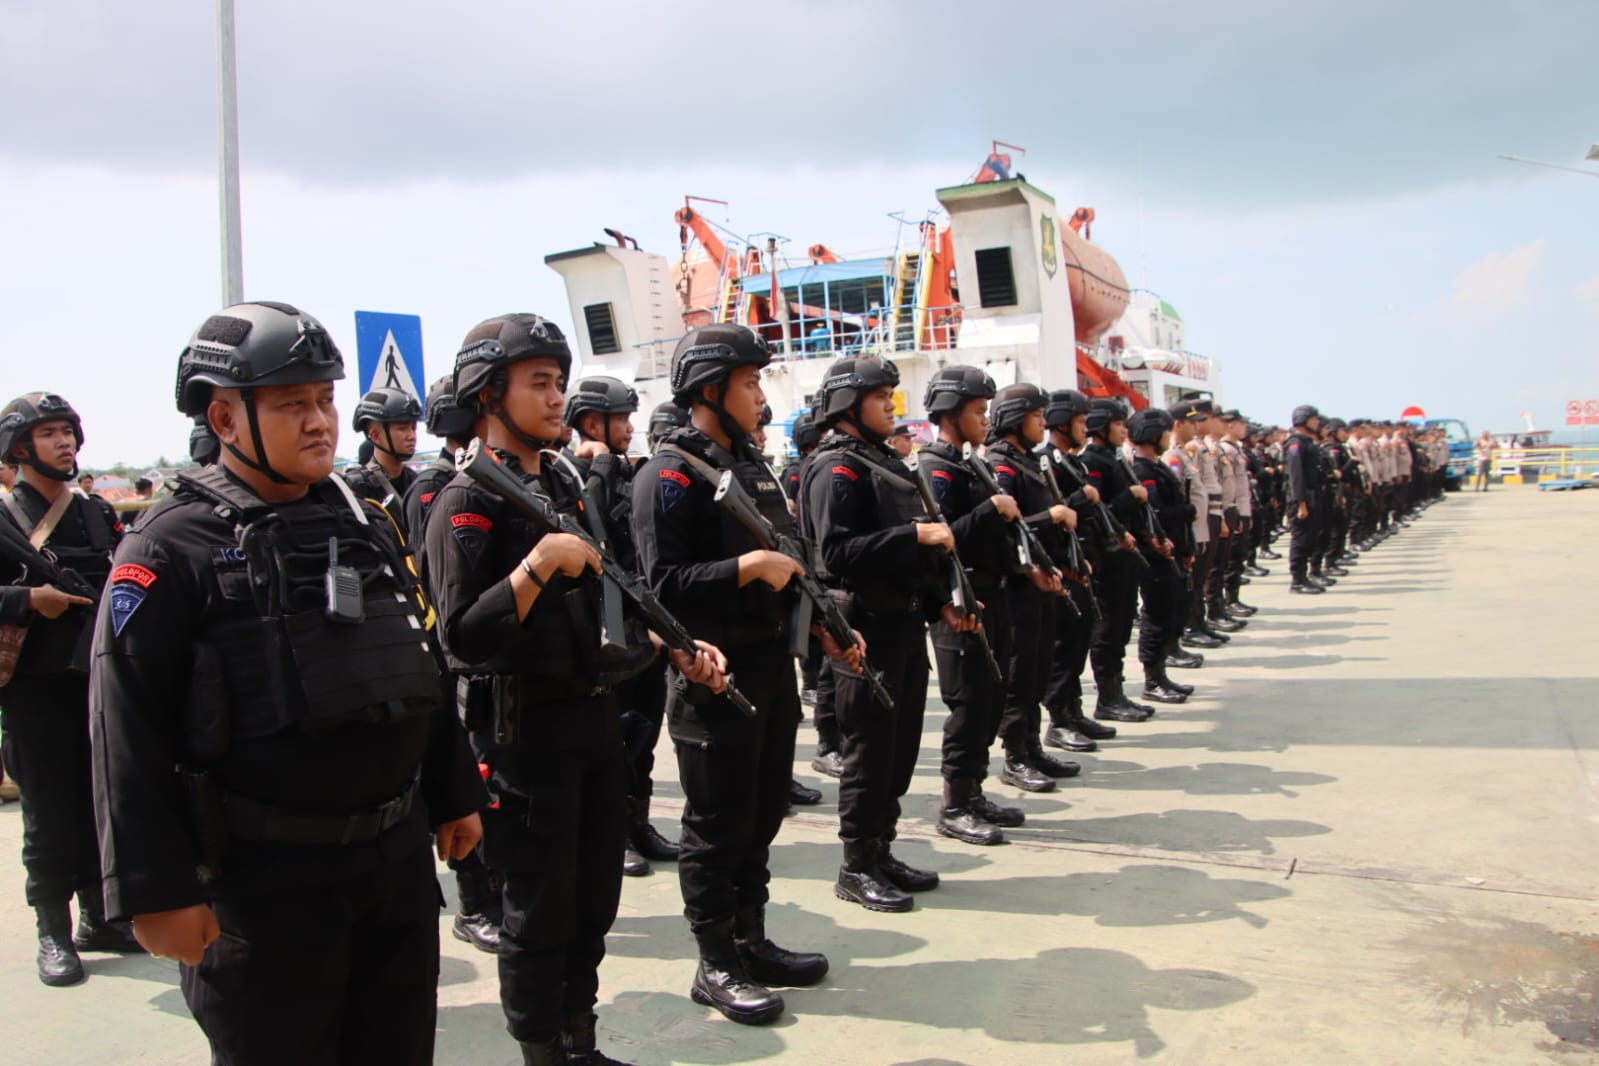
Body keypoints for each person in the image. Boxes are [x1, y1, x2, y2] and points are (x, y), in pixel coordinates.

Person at [90, 301, 486, 1064]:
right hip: (263, 888)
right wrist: (155, 890)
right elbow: (123, 723)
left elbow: (419, 657)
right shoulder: (170, 547)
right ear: (225, 419)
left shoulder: (362, 519)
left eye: (325, 400)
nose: (319, 422)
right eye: (290, 404)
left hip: (394, 868)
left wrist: (453, 789)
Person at [426, 313, 726, 1065]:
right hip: (524, 738)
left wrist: (673, 643)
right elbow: (462, 637)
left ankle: (579, 1042)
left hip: (593, 721)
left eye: (559, 382)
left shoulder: (563, 483)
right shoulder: (465, 500)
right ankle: (543, 1051)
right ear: (489, 394)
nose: (556, 397)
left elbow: (612, 588)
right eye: (538, 383)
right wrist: (535, 568)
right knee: (538, 911)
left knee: (593, 903)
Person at [635, 323, 854, 1024]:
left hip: (768, 663)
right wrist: (747, 567)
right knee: (715, 823)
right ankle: (715, 962)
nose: (762, 396)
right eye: (750, 382)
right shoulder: (668, 475)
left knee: (760, 813)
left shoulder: (753, 468)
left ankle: (750, 939)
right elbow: (660, 586)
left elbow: (792, 564)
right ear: (709, 390)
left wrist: (822, 624)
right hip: (711, 676)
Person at [799, 354, 959, 913]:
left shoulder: (882, 461)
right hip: (864, 627)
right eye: (880, 397)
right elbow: (836, 553)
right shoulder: (836, 467)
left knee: (900, 748)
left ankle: (882, 849)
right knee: (868, 753)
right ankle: (856, 865)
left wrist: (940, 602)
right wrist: (915, 536)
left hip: (904, 623)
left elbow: (910, 551)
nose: (892, 407)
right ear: (848, 404)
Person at [0, 392, 133, 987]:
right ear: (19, 448)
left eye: (68, 431)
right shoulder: (6, 518)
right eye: (49, 433)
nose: (65, 443)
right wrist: (28, 599)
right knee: (49, 813)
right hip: (35, 690)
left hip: (97, 680)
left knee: (101, 802)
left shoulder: (95, 512)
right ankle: (53, 929)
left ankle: (100, 919)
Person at [560, 375, 686, 877]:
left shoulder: (628, 470)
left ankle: (639, 825)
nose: (631, 428)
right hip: (604, 633)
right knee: (615, 742)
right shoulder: (570, 473)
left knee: (644, 736)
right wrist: (600, 468)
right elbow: (591, 536)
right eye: (622, 419)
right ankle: (615, 836)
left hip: (643, 626)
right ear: (593, 423)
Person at [401, 374, 504, 956]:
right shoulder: (440, 487)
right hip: (453, 656)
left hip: (469, 655)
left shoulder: (487, 478)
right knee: (465, 783)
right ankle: (474, 903)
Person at [915, 367, 1031, 842]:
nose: (986, 419)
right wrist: (992, 509)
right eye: (978, 411)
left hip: (993, 595)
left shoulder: (969, 463)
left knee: (991, 699)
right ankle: (955, 802)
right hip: (961, 599)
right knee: (967, 704)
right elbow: (944, 538)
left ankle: (974, 789)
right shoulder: (935, 467)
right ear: (951, 413)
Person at [984, 383, 1081, 785]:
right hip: (1018, 586)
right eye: (1036, 416)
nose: (1044, 423)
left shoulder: (1029, 461)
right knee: (1020, 674)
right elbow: (1007, 528)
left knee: (1038, 670)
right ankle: (1015, 755)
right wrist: (1052, 518)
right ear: (1014, 419)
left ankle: (1032, 745)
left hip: (1042, 582)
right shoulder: (1000, 464)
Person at [1039, 390, 1121, 752]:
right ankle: (1058, 719)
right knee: (1063, 649)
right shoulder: (1047, 463)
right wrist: (1080, 499)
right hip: (1064, 569)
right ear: (1061, 423)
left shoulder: (1071, 462)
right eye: (1080, 422)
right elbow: (1048, 516)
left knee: (1078, 646)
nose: (1086, 429)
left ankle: (1073, 711)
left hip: (1084, 564)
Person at [1078, 399, 1156, 722]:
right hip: (1107, 557)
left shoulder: (1115, 458)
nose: (1124, 430)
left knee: (1122, 625)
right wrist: (1130, 496)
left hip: (1125, 555)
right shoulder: (1092, 462)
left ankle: (1117, 691)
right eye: (1118, 424)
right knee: (1108, 628)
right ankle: (1107, 697)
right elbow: (1099, 511)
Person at [1126, 408, 1193, 704]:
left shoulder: (1157, 467)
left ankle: (1161, 674)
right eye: (1165, 432)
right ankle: (1153, 679)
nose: (1169, 437)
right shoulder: (1143, 471)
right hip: (1155, 556)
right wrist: (1187, 512)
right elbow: (1156, 514)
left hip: (1171, 553)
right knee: (1155, 617)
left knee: (1168, 614)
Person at [343, 387, 422, 531]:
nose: (412, 436)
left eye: (413, 428)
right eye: (402, 428)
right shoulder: (357, 487)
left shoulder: (418, 482)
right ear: (375, 436)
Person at [1285, 405, 1326, 594]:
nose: (1317, 422)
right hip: (1301, 500)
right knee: (1301, 540)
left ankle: (1305, 577)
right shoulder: (1295, 444)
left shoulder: (1307, 442)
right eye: (1314, 419)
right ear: (1304, 420)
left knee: (1310, 538)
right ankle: (1297, 580)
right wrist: (1301, 503)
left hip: (1312, 497)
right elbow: (1296, 475)